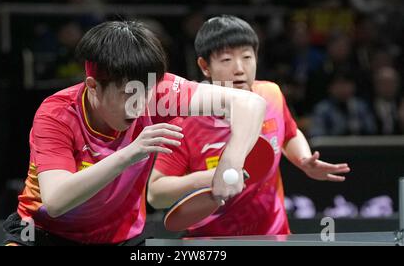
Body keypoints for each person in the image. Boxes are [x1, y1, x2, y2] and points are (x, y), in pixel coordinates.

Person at [3, 20, 267, 246]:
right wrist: (130, 153)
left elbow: (250, 103)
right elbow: (56, 200)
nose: (140, 105)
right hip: (45, 235)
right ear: (93, 87)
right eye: (128, 94)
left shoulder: (160, 92)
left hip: (121, 239)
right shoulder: (57, 114)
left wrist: (230, 161)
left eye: (147, 92)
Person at [148, 16, 350, 237]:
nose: (239, 69)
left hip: (275, 237)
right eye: (226, 60)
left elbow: (290, 133)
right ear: (205, 66)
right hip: (212, 243)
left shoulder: (271, 94)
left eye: (247, 57)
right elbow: (156, 194)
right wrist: (210, 177)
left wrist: (303, 160)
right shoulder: (185, 123)